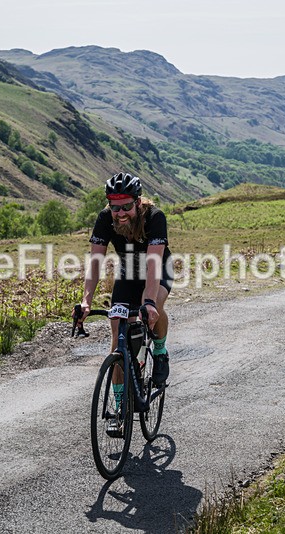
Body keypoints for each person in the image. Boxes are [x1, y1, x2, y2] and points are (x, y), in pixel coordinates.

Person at [76, 172, 173, 434]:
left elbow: (153, 265)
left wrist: (150, 302)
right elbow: (94, 263)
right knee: (117, 334)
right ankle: (121, 409)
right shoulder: (104, 219)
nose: (120, 213)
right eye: (114, 206)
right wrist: (85, 301)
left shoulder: (155, 217)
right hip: (128, 272)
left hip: (158, 269)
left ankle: (160, 351)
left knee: (152, 306)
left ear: (138, 202)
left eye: (126, 207)